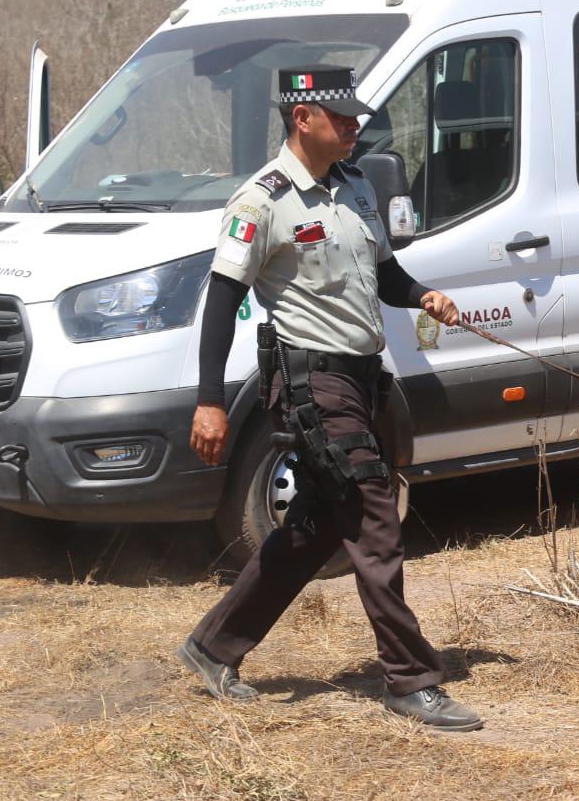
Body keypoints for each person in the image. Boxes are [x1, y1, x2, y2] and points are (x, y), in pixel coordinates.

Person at [178, 65, 482, 732]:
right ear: (301, 118)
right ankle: (410, 678)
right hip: (313, 385)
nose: (354, 125)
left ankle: (210, 647)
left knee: (315, 527)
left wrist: (423, 295)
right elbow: (220, 299)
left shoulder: (357, 185)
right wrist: (210, 400)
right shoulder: (261, 201)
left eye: (355, 115)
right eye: (339, 116)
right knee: (375, 517)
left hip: (364, 377)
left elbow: (385, 272)